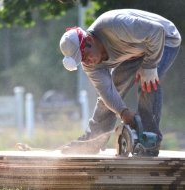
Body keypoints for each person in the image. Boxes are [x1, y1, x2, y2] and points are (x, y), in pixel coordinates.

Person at [59, 9, 181, 156]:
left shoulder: (114, 25)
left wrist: (149, 65)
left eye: (85, 55)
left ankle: (150, 140)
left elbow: (156, 30)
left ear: (90, 40)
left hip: (164, 38)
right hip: (135, 51)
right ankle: (91, 142)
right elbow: (107, 92)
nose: (87, 62)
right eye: (81, 61)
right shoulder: (89, 65)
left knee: (148, 83)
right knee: (109, 97)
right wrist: (123, 112)